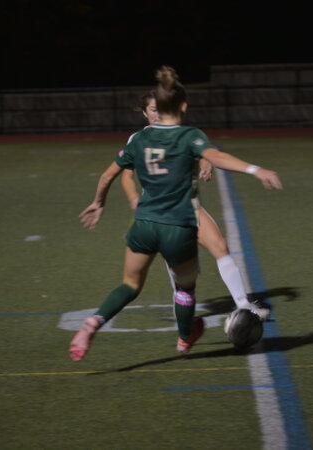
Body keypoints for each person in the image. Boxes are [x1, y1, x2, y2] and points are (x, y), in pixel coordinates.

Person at [69, 66, 282, 361]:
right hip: (179, 223)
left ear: (160, 107)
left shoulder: (141, 140)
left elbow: (108, 175)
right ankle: (184, 339)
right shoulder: (188, 135)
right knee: (185, 288)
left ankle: (93, 323)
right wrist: (255, 169)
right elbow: (215, 155)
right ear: (183, 106)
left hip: (145, 223)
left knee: (130, 284)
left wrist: (98, 202)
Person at [120, 91, 270, 319]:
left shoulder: (183, 133)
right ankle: (184, 319)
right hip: (160, 214)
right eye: (153, 110)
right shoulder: (138, 139)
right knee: (180, 276)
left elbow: (204, 155)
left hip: (188, 206)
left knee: (220, 246)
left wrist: (205, 165)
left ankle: (244, 305)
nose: (158, 114)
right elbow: (126, 175)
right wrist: (133, 196)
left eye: (162, 109)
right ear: (144, 113)